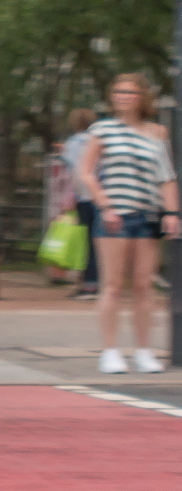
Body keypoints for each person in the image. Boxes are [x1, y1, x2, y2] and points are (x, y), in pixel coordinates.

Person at [78, 75, 178, 373]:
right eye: (119, 91)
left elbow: (167, 176)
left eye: (130, 92)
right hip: (114, 215)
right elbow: (86, 172)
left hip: (146, 215)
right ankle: (110, 350)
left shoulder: (157, 132)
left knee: (144, 285)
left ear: (142, 97)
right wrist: (104, 205)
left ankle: (144, 350)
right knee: (112, 284)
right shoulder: (102, 129)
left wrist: (172, 213)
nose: (124, 96)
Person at [63, 107, 101, 298]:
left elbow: (73, 172)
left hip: (84, 197)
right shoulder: (98, 140)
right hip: (101, 195)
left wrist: (71, 196)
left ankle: (89, 283)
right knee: (98, 241)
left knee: (86, 242)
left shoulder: (72, 143)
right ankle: (96, 281)